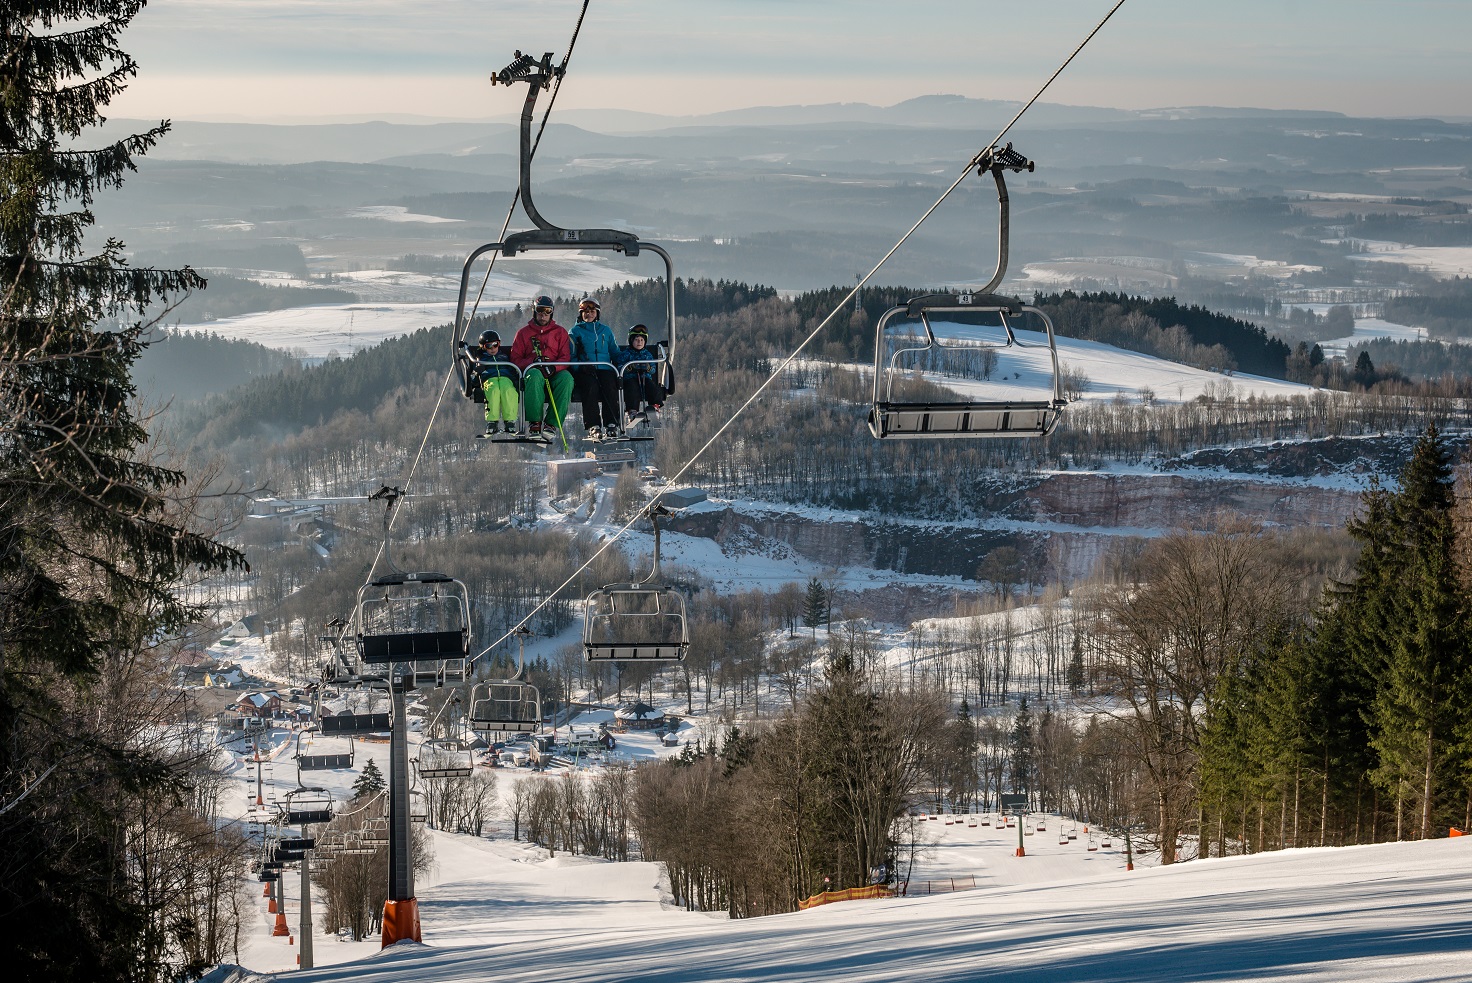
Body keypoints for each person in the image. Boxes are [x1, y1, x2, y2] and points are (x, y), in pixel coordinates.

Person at [509, 295, 573, 440]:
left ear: (552, 312)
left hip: (553, 371)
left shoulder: (560, 332)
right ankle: (534, 422)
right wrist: (532, 361)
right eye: (540, 311)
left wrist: (554, 368)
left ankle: (551, 423)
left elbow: (565, 357)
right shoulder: (523, 333)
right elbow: (515, 359)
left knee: (567, 379)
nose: (543, 315)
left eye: (547, 311)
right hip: (534, 372)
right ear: (534, 311)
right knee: (534, 375)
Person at [568, 297, 623, 439]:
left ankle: (611, 424)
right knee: (590, 387)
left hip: (605, 368)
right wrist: (580, 368)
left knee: (610, 385)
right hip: (585, 370)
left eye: (592, 312)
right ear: (581, 314)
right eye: (585, 312)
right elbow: (571, 356)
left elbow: (615, 352)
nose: (589, 315)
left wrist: (621, 367)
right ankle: (593, 425)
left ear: (597, 313)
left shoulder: (605, 331)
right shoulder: (575, 332)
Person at [465, 329, 520, 435]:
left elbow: (513, 368)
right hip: (489, 378)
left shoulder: (504, 356)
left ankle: (510, 421)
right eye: (488, 346)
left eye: (495, 344)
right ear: (483, 347)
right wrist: (476, 376)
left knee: (508, 390)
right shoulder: (481, 358)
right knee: (493, 390)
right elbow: (476, 373)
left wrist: (516, 377)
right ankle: (492, 421)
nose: (493, 348)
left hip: (505, 378)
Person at [615, 323, 666, 426]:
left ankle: (655, 407)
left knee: (652, 387)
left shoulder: (647, 354)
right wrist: (628, 368)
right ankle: (632, 411)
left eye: (642, 340)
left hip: (644, 378)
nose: (639, 342)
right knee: (632, 389)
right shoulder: (626, 354)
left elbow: (653, 368)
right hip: (631, 379)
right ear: (631, 341)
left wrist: (648, 368)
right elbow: (619, 367)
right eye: (637, 340)